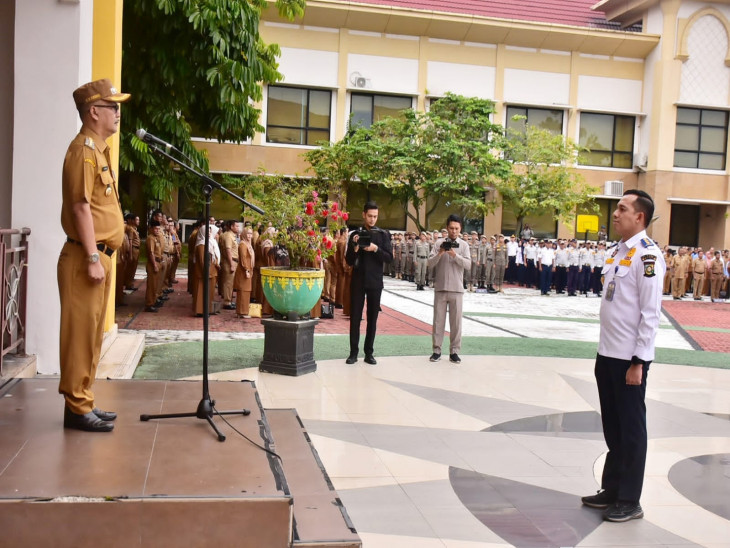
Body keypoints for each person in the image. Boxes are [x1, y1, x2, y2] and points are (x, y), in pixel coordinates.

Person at [581, 189, 665, 522]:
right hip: (608, 354)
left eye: (622, 208)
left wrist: (639, 362)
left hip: (630, 360)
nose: (615, 214)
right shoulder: (618, 251)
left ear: (639, 217)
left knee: (631, 431)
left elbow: (650, 314)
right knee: (613, 428)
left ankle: (630, 499)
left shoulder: (648, 256)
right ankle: (612, 489)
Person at [58, 78, 130, 432]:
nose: (118, 112)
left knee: (92, 335)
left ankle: (83, 400)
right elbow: (80, 206)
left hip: (99, 256)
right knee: (79, 334)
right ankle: (76, 405)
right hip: (85, 257)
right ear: (94, 111)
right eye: (112, 106)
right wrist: (90, 257)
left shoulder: (98, 150)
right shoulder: (83, 151)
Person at [345, 201, 393, 365]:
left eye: (375, 216)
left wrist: (375, 249)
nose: (372, 219)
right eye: (370, 216)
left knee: (372, 318)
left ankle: (369, 353)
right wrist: (356, 248)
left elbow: (389, 258)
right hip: (358, 280)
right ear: (364, 215)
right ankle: (353, 353)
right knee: (355, 317)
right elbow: (349, 261)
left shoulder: (383, 234)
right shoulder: (355, 234)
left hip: (375, 281)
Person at [428, 214, 471, 364]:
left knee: (456, 323)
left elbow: (468, 265)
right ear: (447, 228)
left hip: (457, 289)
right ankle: (436, 350)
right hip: (440, 288)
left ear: (460, 229)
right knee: (438, 321)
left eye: (456, 228)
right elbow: (430, 263)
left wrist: (454, 255)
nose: (453, 231)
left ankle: (454, 351)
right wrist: (440, 252)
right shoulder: (438, 243)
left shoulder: (464, 245)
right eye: (451, 228)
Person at [234, 225, 255, 317]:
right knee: (243, 291)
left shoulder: (248, 244)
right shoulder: (243, 244)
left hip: (248, 270)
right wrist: (246, 270)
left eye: (251, 233)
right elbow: (243, 258)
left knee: (246, 291)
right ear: (244, 234)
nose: (249, 235)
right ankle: (242, 312)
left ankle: (242, 311)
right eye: (248, 233)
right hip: (244, 271)